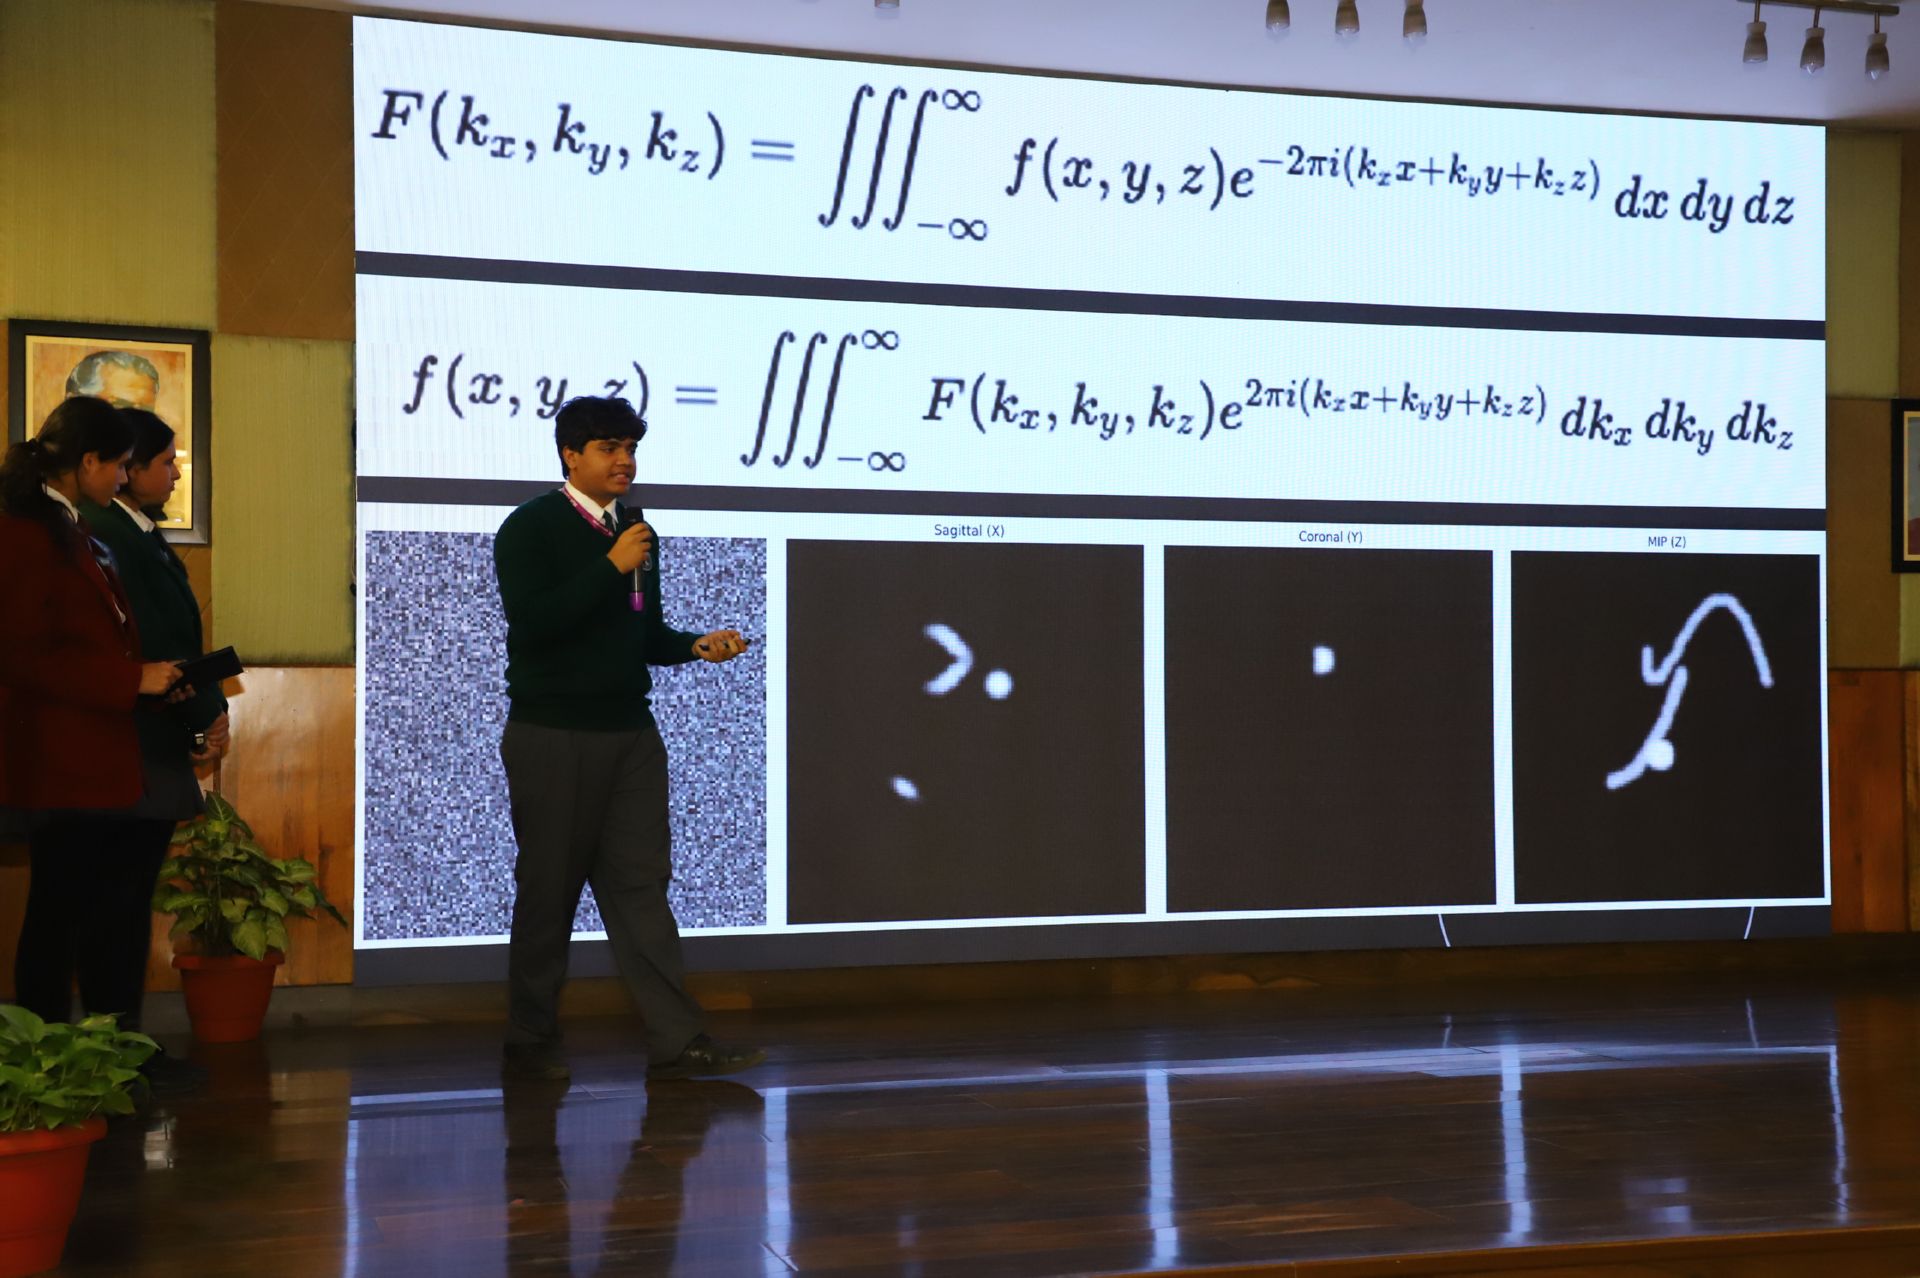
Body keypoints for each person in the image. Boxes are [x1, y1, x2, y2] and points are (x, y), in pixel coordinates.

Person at [492, 395, 761, 1082]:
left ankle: (678, 1038)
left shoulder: (638, 533)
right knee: (549, 891)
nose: (625, 461)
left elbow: (643, 633)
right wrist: (609, 565)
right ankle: (530, 1038)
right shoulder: (529, 527)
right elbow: (535, 624)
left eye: (630, 448)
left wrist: (694, 645)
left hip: (631, 736)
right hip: (554, 734)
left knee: (643, 888)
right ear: (570, 455)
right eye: (609, 448)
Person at [0, 397, 184, 1028]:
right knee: (57, 916)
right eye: (119, 464)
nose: (123, 477)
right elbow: (22, 657)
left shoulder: (71, 528)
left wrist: (150, 680)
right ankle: (45, 1059)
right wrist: (132, 679)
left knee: (79, 910)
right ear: (86, 462)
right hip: (59, 758)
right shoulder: (24, 533)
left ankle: (85, 1057)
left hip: (90, 756)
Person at [73, 407, 230, 1039]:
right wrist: (204, 713)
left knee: (128, 901)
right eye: (166, 462)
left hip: (153, 735)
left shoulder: (136, 530)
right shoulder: (109, 532)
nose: (175, 473)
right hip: (131, 742)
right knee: (117, 904)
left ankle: (124, 1041)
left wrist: (203, 718)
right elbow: (157, 642)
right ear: (129, 467)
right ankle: (115, 1044)